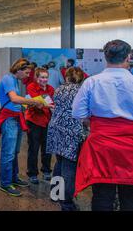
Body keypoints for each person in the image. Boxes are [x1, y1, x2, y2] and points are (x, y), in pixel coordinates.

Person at [72, 39, 133, 211]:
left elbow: (77, 113)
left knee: (102, 195)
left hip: (101, 146)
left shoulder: (92, 82)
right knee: (130, 196)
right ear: (128, 57)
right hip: (130, 147)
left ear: (106, 57)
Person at [0, 58, 45, 197]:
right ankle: (5, 183)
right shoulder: (8, 79)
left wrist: (29, 103)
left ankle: (13, 178)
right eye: (27, 72)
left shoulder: (14, 80)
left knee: (14, 151)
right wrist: (34, 101)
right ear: (19, 70)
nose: (28, 75)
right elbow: (14, 99)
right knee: (8, 152)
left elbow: (15, 100)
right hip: (9, 119)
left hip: (15, 117)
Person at [46, 67, 86, 211]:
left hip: (56, 128)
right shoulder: (80, 91)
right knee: (69, 167)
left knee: (59, 162)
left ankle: (55, 193)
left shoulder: (59, 89)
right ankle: (66, 203)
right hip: (71, 131)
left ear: (67, 76)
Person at [25, 67, 55, 184]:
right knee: (33, 148)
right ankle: (32, 173)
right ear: (36, 78)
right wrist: (45, 104)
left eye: (46, 77)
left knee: (47, 148)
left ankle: (46, 170)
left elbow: (47, 104)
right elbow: (37, 104)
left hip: (47, 121)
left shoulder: (51, 89)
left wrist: (44, 104)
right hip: (34, 121)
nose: (44, 79)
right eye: (42, 77)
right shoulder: (31, 87)